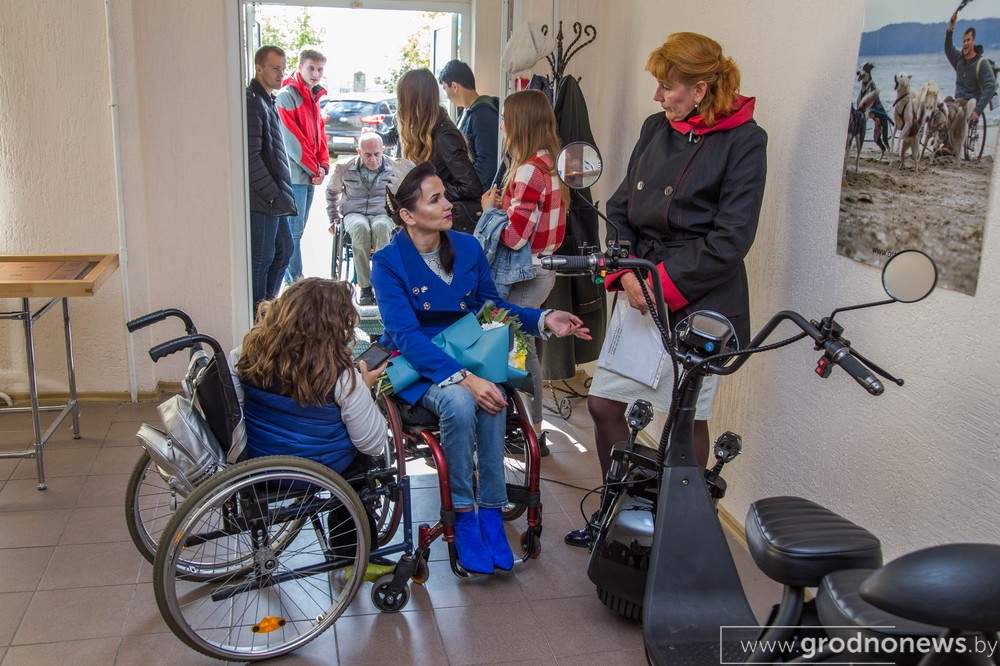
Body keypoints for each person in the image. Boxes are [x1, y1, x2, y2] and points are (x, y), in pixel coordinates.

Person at [565, 32, 767, 547]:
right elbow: (619, 207)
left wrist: (660, 285)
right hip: (641, 283)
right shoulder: (656, 128)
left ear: (700, 90)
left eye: (667, 87)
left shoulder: (745, 141)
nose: (657, 97)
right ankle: (615, 515)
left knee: (683, 421)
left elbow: (731, 240)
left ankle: (677, 533)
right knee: (604, 405)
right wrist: (628, 273)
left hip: (699, 298)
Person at [371, 161, 589, 575]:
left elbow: (492, 307)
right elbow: (406, 336)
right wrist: (465, 379)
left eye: (445, 196)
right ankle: (464, 514)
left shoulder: (467, 248)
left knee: (493, 393)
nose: (448, 205)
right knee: (460, 401)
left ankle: (491, 509)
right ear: (408, 215)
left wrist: (544, 319)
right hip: (420, 362)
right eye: (435, 199)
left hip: (470, 351)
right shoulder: (387, 262)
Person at [235, 278, 390, 574]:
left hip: (260, 461)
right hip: (318, 470)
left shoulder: (245, 355)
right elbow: (372, 442)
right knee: (364, 460)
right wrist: (365, 387)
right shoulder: (341, 376)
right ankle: (351, 550)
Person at [480, 89, 569, 452]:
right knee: (522, 343)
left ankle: (528, 431)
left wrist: (490, 211)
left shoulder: (529, 170)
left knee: (516, 346)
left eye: (506, 119)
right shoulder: (550, 163)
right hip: (543, 269)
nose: (502, 125)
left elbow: (515, 237)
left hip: (524, 272)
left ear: (519, 123)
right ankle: (532, 428)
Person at [396, 68, 483, 233]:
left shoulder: (444, 136)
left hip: (443, 230)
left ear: (411, 101)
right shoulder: (419, 133)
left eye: (401, 99)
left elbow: (471, 187)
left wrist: (427, 190)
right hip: (426, 226)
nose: (399, 106)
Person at [247, 45, 297, 312]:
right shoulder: (253, 102)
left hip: (274, 199)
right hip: (264, 200)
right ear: (259, 68)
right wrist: (272, 194)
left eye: (283, 68)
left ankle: (268, 311)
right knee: (263, 259)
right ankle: (258, 318)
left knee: (283, 251)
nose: (281, 74)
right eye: (275, 68)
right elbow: (251, 157)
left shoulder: (268, 100)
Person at [276, 48, 330, 285]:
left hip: (309, 177)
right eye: (311, 68)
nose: (316, 74)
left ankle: (295, 284)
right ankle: (297, 285)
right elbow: (293, 142)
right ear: (300, 67)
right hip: (295, 177)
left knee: (297, 233)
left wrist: (324, 166)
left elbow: (320, 136)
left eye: (320, 69)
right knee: (292, 235)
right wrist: (314, 169)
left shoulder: (313, 97)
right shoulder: (286, 96)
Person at [326, 132, 398, 306]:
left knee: (381, 226)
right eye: (368, 155)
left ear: (383, 150)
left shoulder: (394, 167)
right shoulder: (344, 167)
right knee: (360, 227)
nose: (373, 159)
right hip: (354, 213)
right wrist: (333, 218)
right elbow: (332, 192)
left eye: (377, 154)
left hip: (382, 213)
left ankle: (382, 284)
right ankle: (365, 287)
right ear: (359, 152)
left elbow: (404, 195)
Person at [439, 59, 500, 191]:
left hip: (479, 195)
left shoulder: (482, 114)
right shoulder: (468, 112)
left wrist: (465, 190)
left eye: (445, 88)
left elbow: (487, 164)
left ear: (454, 86)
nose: (446, 96)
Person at [945, 14, 997, 131]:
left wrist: (977, 111)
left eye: (968, 40)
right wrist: (951, 25)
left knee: (957, 111)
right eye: (964, 41)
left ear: (973, 41)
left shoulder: (981, 63)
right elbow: (948, 47)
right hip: (957, 103)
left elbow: (991, 86)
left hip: (971, 104)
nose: (965, 43)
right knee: (942, 107)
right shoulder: (959, 59)